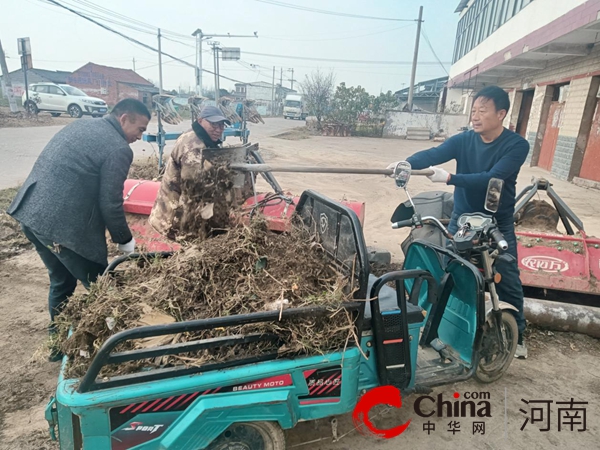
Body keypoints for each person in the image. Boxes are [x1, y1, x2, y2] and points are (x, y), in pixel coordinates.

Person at [387, 86, 530, 359]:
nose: (475, 116)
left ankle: (517, 336)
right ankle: (450, 331)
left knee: (508, 281)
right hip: (461, 223)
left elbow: (492, 177)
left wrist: (450, 178)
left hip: (495, 224)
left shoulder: (516, 146)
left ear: (501, 114)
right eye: (473, 111)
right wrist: (406, 163)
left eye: (482, 111)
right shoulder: (464, 140)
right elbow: (432, 154)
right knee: (452, 276)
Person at [7, 98, 151, 359]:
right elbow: (110, 201)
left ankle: (57, 347)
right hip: (62, 227)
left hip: (32, 213)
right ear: (124, 119)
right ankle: (122, 351)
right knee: (105, 288)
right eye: (139, 129)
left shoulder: (82, 126)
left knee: (61, 281)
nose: (139, 137)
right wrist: (125, 240)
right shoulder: (118, 148)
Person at [149, 105, 231, 240]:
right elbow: (196, 190)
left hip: (182, 210)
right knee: (188, 252)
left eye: (222, 125)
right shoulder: (193, 147)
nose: (218, 129)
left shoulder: (201, 138)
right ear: (200, 121)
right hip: (175, 219)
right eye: (213, 124)